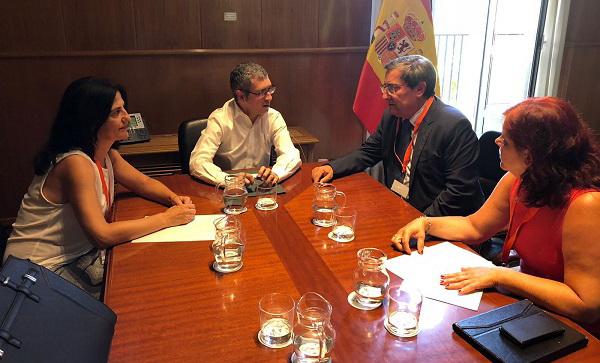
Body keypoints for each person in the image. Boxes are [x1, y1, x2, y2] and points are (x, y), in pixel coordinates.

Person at [392, 97, 600, 335]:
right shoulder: (519, 178)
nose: (497, 141)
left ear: (531, 154)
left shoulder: (586, 204)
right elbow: (474, 226)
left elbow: (585, 304)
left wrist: (501, 275)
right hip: (532, 309)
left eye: (506, 140)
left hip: (576, 332)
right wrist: (425, 223)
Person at [3, 77, 196, 298]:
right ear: (91, 121)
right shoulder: (76, 163)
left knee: (148, 275)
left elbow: (143, 183)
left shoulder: (107, 155)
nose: (127, 118)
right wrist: (167, 218)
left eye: (125, 108)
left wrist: (173, 199)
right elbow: (101, 236)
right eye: (116, 112)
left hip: (77, 256)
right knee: (136, 292)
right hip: (35, 270)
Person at [312, 55, 483, 217]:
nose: (384, 95)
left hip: (439, 222)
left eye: (393, 88)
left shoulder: (453, 126)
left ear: (420, 89)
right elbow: (369, 152)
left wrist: (422, 223)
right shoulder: (392, 116)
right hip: (400, 210)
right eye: (385, 87)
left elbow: (459, 192)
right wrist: (333, 168)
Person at [189, 62, 301, 186]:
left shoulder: (273, 117)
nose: (269, 97)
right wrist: (229, 180)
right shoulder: (220, 119)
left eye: (269, 90)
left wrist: (276, 173)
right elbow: (197, 162)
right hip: (228, 192)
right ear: (241, 96)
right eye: (261, 92)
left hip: (262, 188)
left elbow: (291, 154)